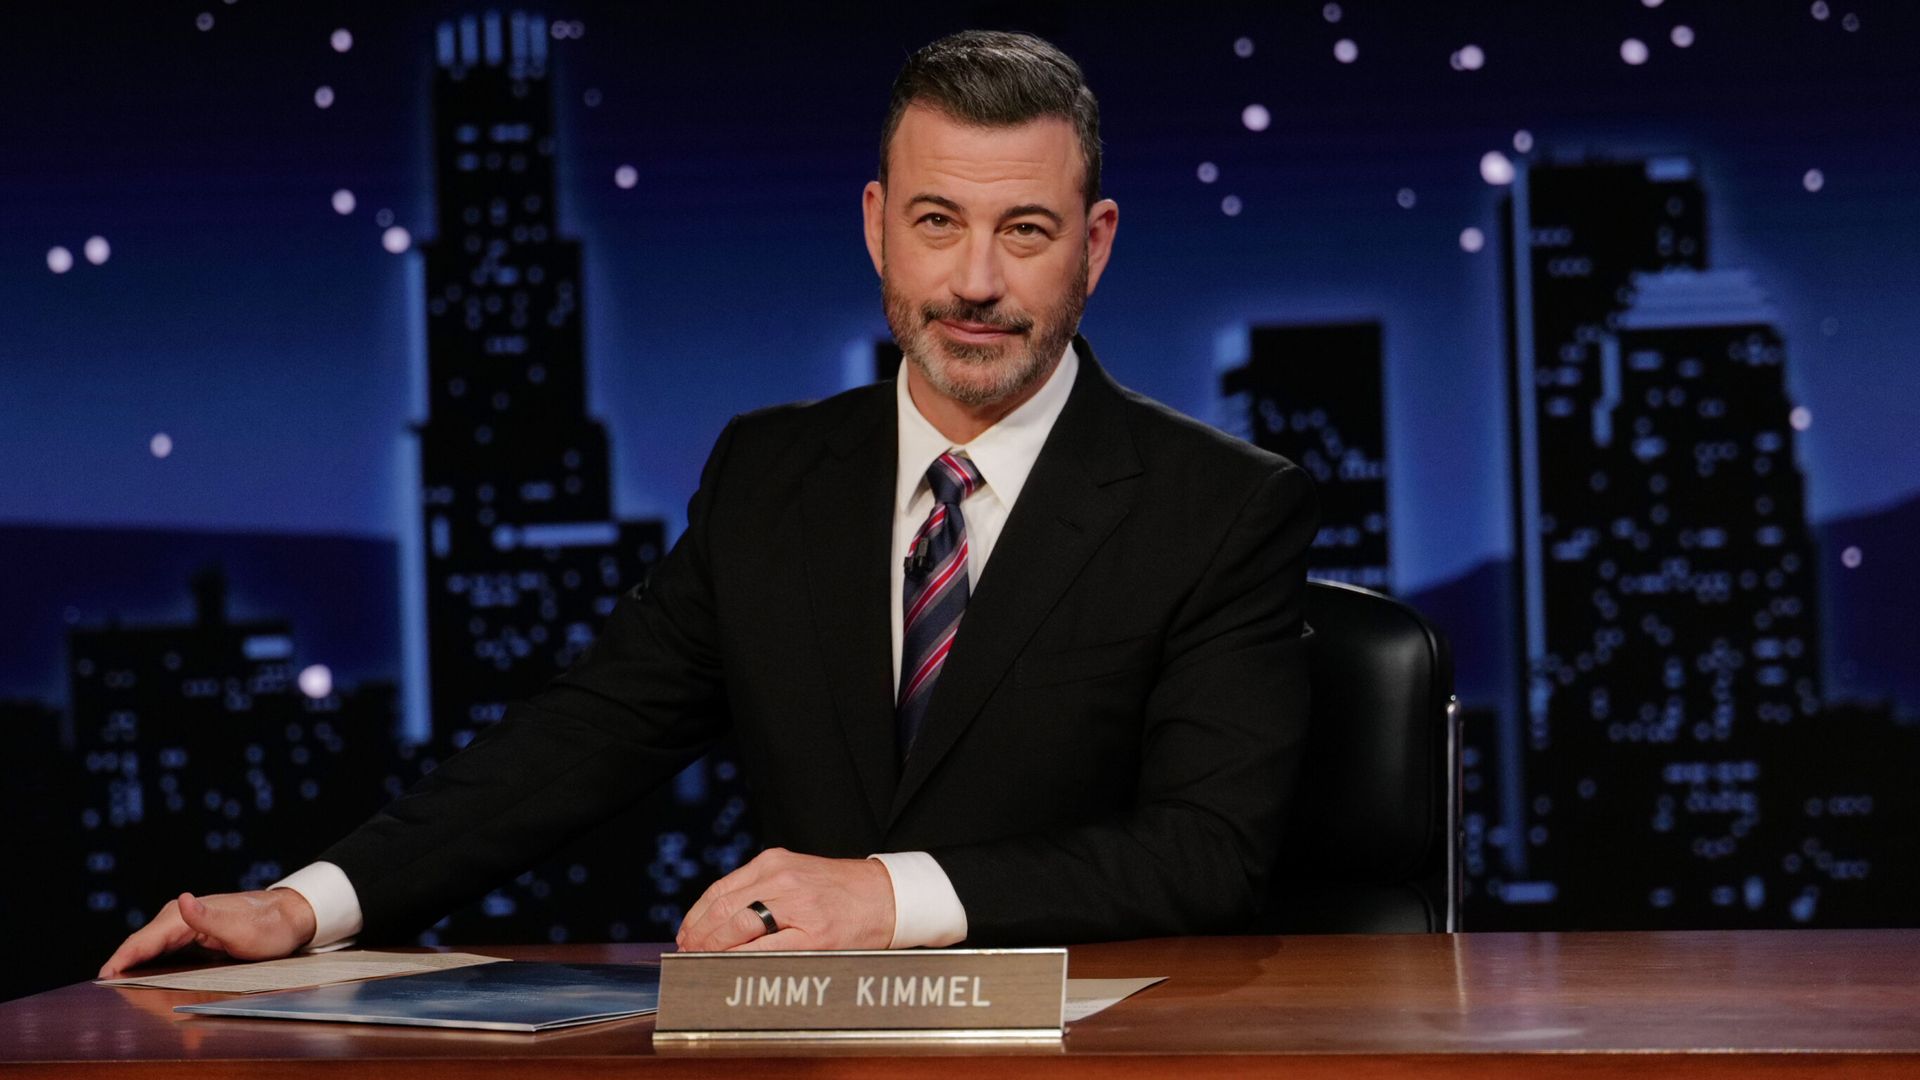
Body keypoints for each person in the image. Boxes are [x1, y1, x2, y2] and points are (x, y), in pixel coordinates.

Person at [100, 29, 1316, 976]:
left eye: (1027, 231)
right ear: (877, 228)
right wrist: (306, 904)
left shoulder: (1222, 507)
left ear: (1095, 246)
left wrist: (884, 894)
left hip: (1099, 1049)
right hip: (804, 1052)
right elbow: (584, 737)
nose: (976, 280)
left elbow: (1205, 853)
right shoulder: (768, 477)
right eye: (938, 223)